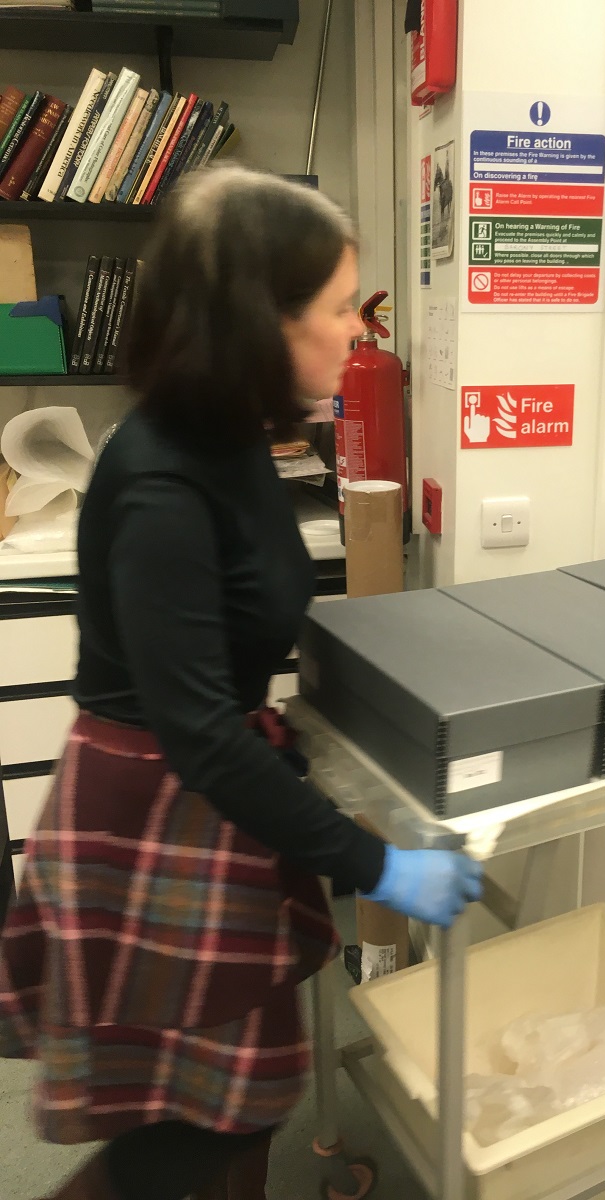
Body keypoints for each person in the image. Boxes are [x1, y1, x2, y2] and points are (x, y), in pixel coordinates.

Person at [0, 165, 483, 1200]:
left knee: (237, 1110)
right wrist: (374, 866)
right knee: (189, 1131)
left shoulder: (239, 437)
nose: (359, 329)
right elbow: (201, 733)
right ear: (260, 322)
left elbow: (241, 627)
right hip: (154, 821)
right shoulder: (165, 478)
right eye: (340, 306)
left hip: (205, 797)